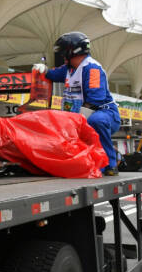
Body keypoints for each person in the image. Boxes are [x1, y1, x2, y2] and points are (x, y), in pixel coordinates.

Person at [34, 31, 121, 176]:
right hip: (80, 114)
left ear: (71, 51)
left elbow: (95, 100)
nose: (62, 56)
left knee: (96, 121)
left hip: (104, 113)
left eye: (63, 53)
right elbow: (53, 74)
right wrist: (43, 70)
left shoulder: (92, 69)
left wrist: (75, 123)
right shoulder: (69, 69)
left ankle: (110, 164)